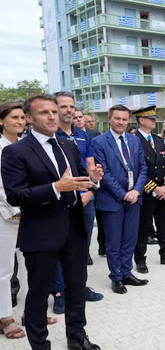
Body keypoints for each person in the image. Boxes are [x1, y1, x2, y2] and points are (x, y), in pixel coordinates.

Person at [2, 94, 103, 350]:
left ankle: (77, 337)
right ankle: (40, 345)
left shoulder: (67, 146)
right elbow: (15, 195)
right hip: (41, 232)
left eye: (54, 112)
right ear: (28, 118)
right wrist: (55, 187)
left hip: (74, 229)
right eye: (44, 113)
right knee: (38, 293)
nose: (51, 117)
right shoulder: (15, 151)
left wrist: (91, 178)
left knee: (76, 287)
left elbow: (77, 179)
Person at [91, 105, 149, 295]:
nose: (121, 122)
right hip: (112, 199)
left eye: (124, 119)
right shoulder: (99, 142)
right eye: (117, 118)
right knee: (114, 242)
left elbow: (143, 168)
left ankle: (126, 272)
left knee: (129, 240)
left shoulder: (134, 140)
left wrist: (136, 191)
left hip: (134, 199)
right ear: (109, 118)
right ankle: (116, 277)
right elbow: (104, 173)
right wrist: (123, 193)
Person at [54, 92, 103, 307]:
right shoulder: (49, 135)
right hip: (59, 201)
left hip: (85, 199)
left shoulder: (82, 135)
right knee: (58, 247)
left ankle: (79, 286)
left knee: (81, 246)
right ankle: (59, 292)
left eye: (71, 106)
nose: (69, 110)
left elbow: (90, 169)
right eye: (63, 106)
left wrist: (92, 188)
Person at [132, 106, 165, 273]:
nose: (155, 121)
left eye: (155, 118)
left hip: (162, 191)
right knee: (143, 227)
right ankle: (140, 259)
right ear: (141, 120)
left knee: (163, 225)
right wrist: (154, 188)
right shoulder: (133, 140)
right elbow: (136, 169)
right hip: (146, 192)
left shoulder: (159, 140)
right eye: (151, 118)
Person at [0, 102, 29, 340]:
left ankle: (30, 311)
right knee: (5, 268)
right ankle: (5, 317)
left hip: (30, 213)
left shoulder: (23, 146)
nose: (20, 122)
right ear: (1, 121)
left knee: (29, 264)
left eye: (22, 117)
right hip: (6, 216)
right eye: (14, 117)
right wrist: (13, 210)